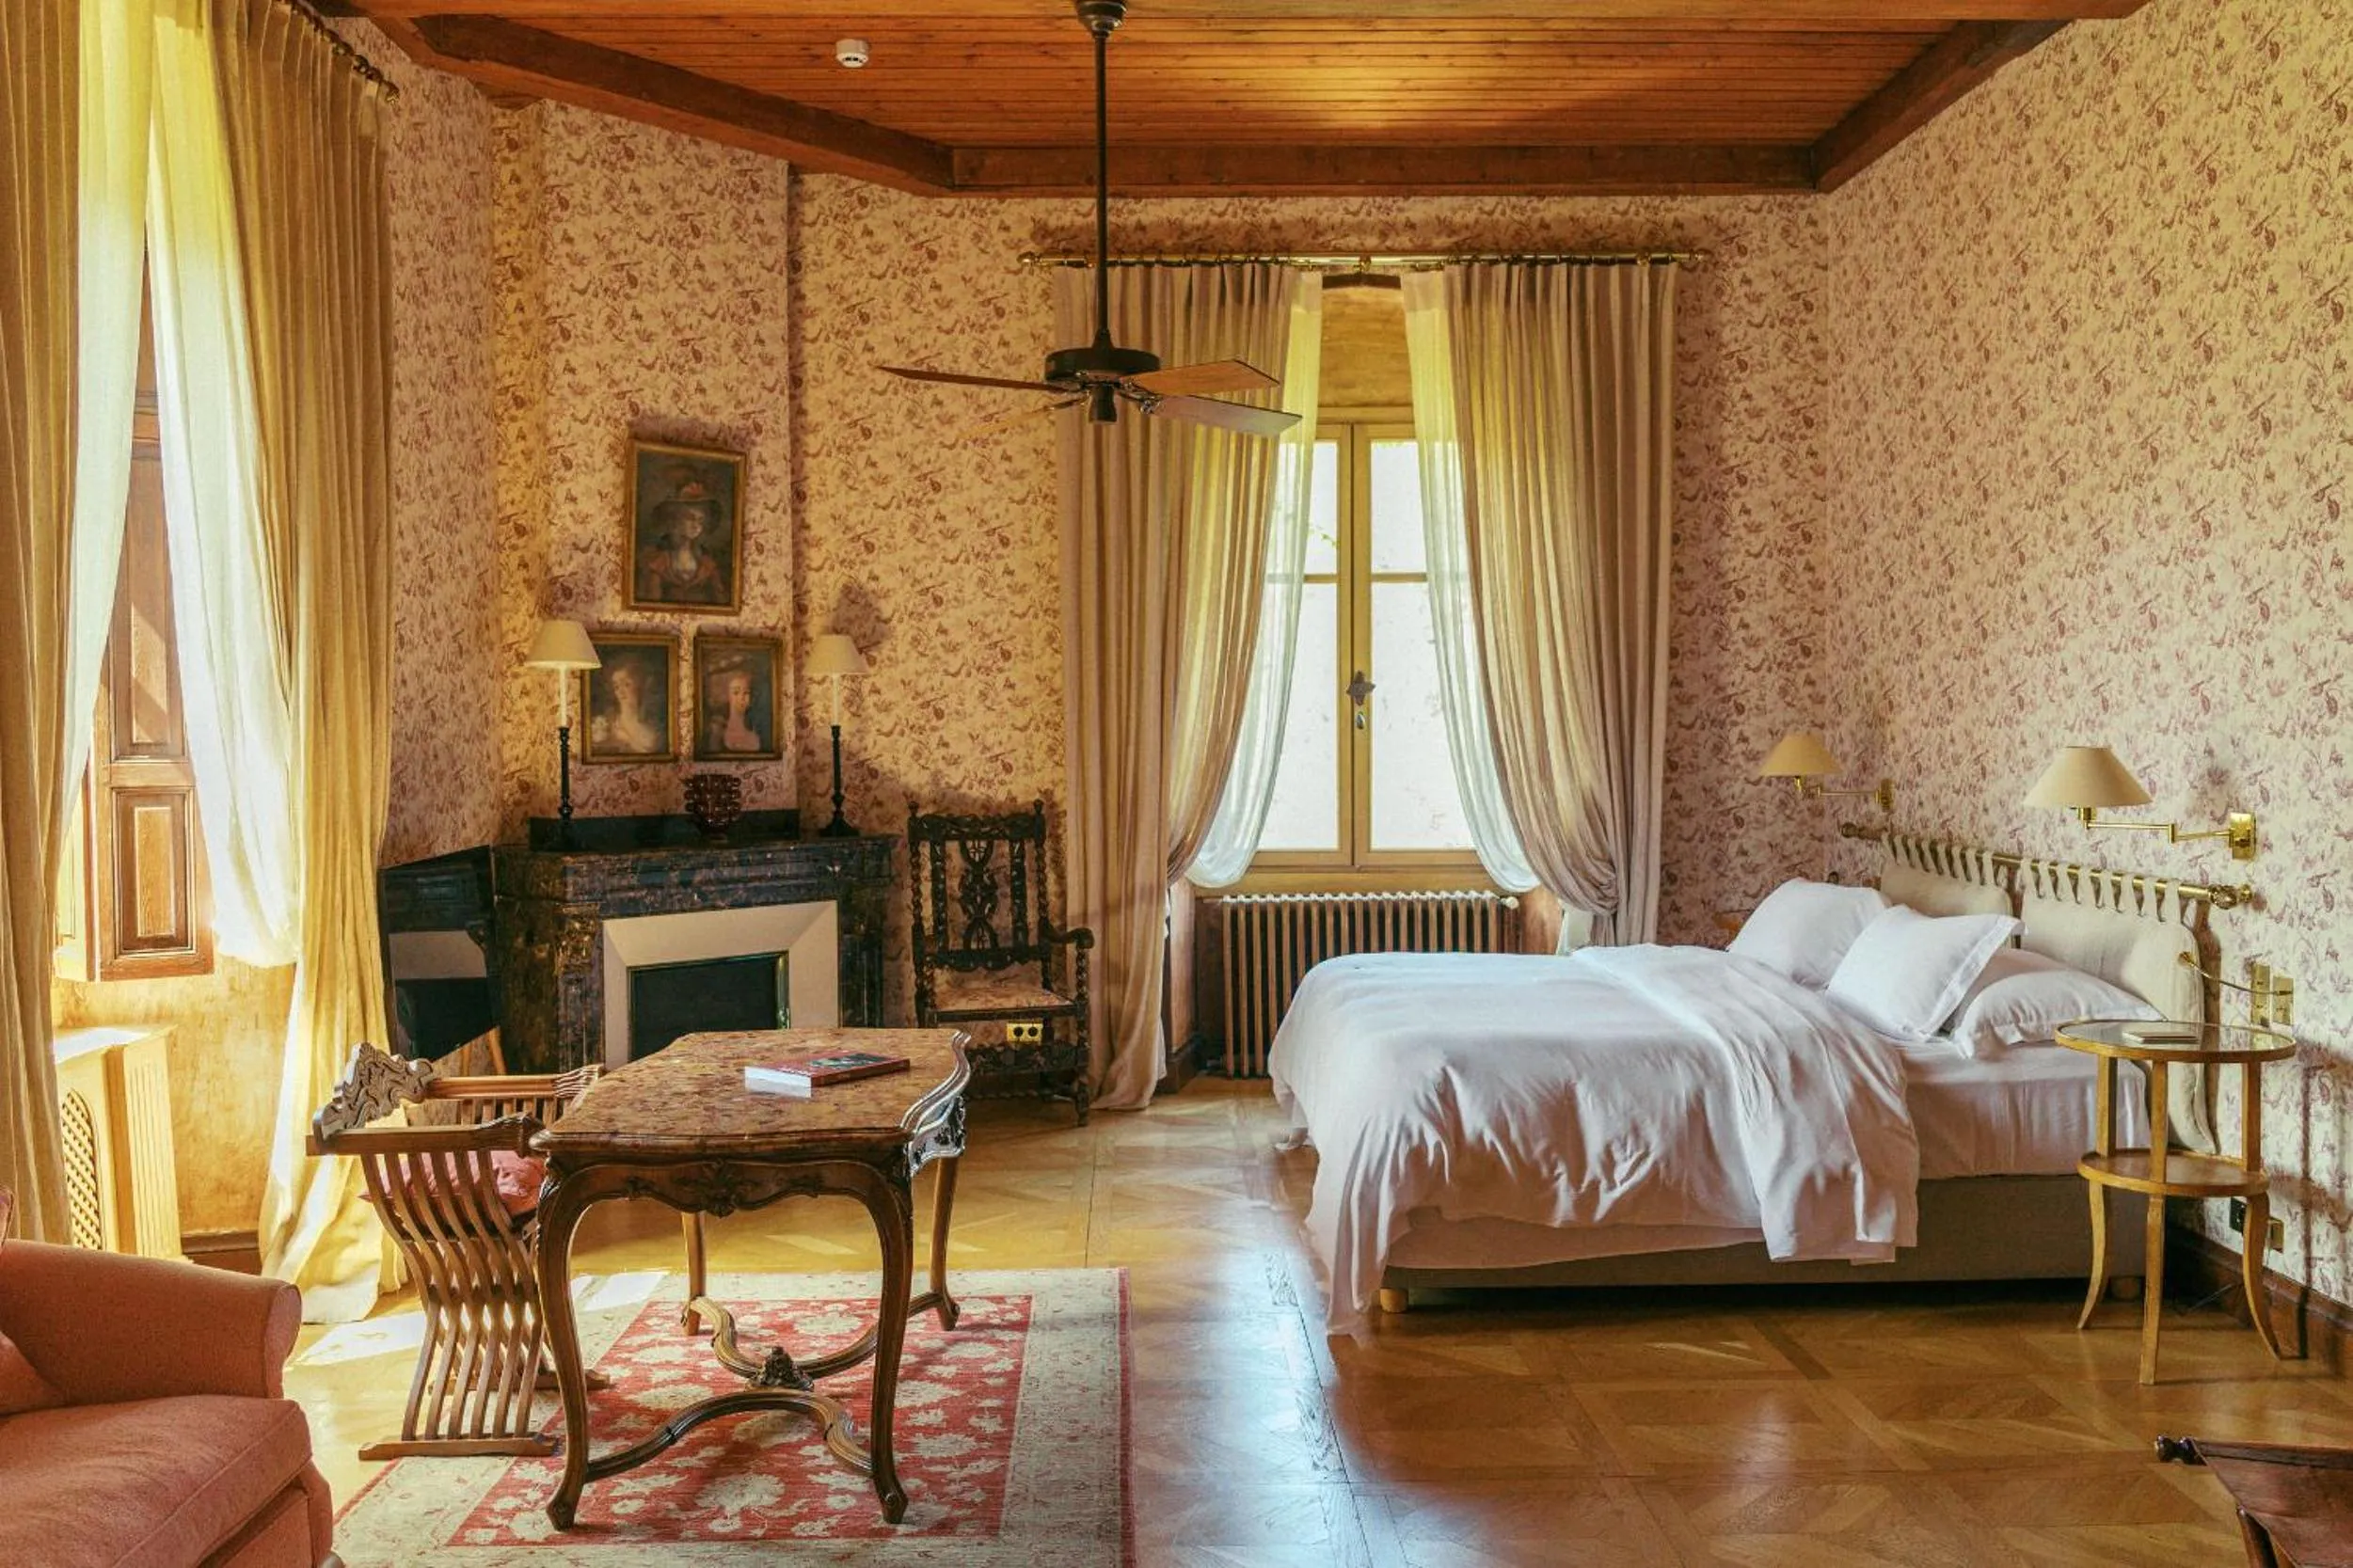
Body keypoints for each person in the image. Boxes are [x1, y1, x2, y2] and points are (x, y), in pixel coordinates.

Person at [635, 479, 727, 605]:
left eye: (700, 521)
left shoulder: (707, 564)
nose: (696, 526)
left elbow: (721, 603)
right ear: (674, 520)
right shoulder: (657, 561)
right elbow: (649, 605)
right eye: (690, 518)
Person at [594, 657, 665, 755]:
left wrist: (628, 739)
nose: (620, 691)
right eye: (616, 686)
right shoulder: (608, 722)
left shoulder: (654, 726)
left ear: (640, 686)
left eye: (627, 684)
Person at [705, 667, 766, 754]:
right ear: (727, 696)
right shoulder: (717, 731)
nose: (742, 697)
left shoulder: (755, 736)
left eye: (746, 692)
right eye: (736, 692)